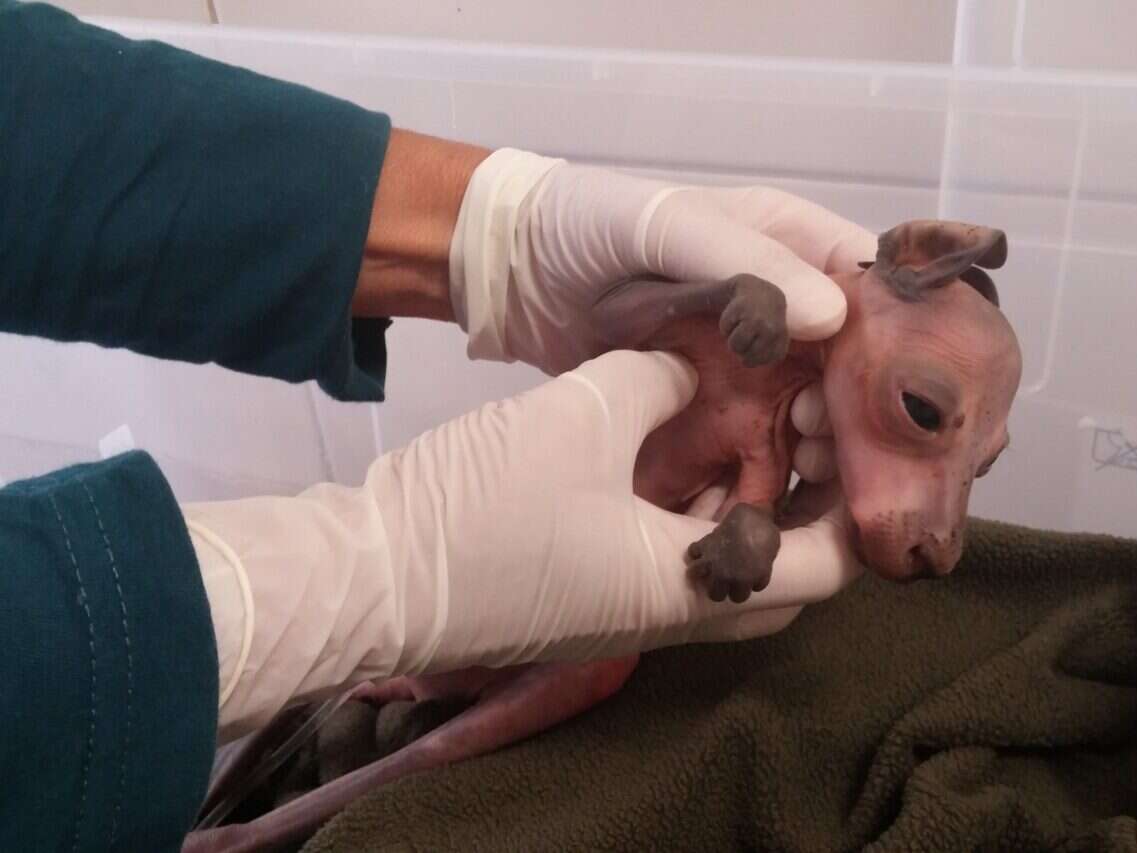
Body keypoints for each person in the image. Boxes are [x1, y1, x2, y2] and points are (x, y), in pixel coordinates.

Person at [0, 3, 872, 850]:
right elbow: (624, 320)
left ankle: (259, 823)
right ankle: (266, 803)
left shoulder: (774, 439)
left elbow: (42, 128)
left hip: (596, 596)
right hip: (510, 546)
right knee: (394, 644)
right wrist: (366, 574)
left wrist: (484, 233)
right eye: (921, 414)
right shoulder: (744, 338)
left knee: (547, 688)